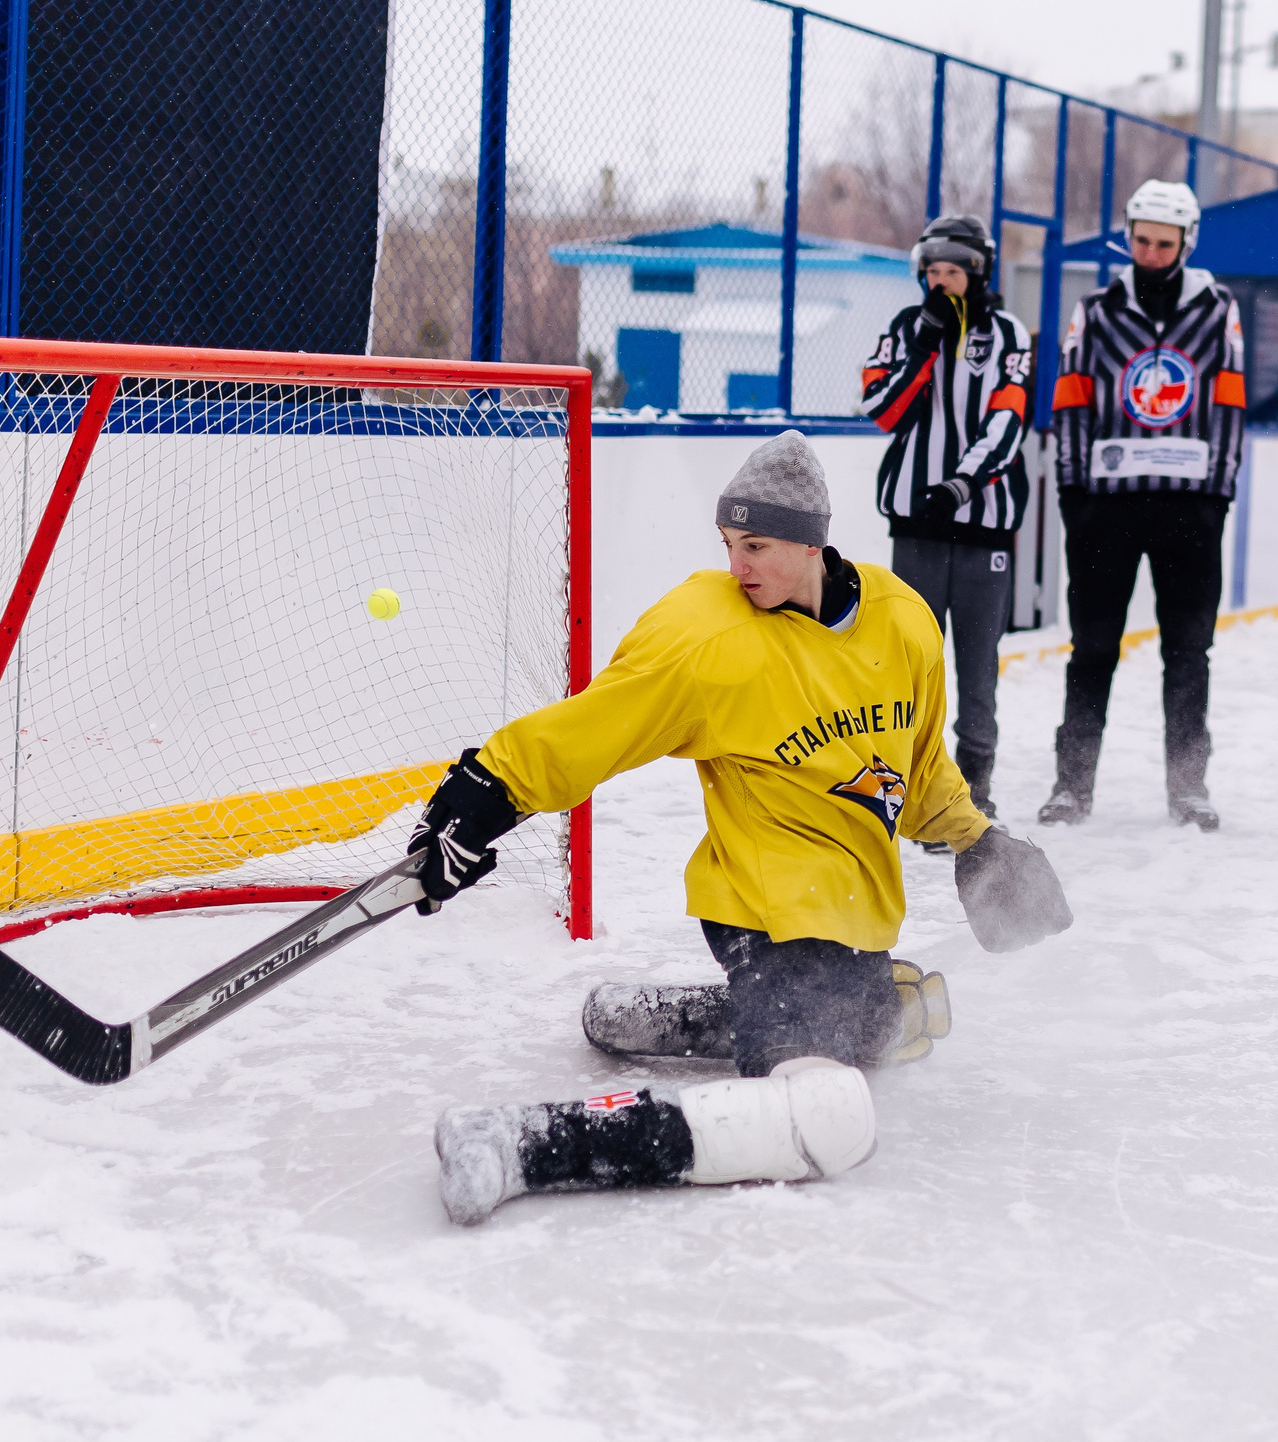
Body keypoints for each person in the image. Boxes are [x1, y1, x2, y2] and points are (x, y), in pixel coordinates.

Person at [419, 432, 1071, 1226]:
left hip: (850, 911)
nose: (738, 566)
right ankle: (520, 1139)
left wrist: (979, 842)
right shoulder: (709, 636)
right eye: (729, 545)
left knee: (865, 1026)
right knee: (830, 1116)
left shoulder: (903, 623)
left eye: (755, 544)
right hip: (760, 905)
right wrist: (491, 788)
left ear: (811, 541)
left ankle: (675, 1014)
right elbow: (598, 724)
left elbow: (918, 766)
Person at [1039, 179, 1249, 831]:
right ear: (1128, 237)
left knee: (1189, 650)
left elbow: (1230, 402)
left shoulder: (1219, 309)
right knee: (1093, 648)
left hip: (1190, 510)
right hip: (1106, 508)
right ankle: (1072, 787)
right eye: (1142, 240)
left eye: (1165, 242)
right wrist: (1072, 492)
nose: (1152, 253)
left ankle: (1188, 788)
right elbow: (1071, 398)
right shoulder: (1096, 309)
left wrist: (1219, 492)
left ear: (1187, 242)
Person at [863, 214, 1034, 830]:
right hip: (916, 523)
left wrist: (960, 482)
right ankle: (910, 789)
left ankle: (971, 791)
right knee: (914, 664)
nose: (940, 282)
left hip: (983, 520)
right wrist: (925, 348)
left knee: (977, 665)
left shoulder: (1009, 334)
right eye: (931, 272)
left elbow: (1009, 419)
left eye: (952, 272)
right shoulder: (906, 329)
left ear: (977, 273)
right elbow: (882, 411)